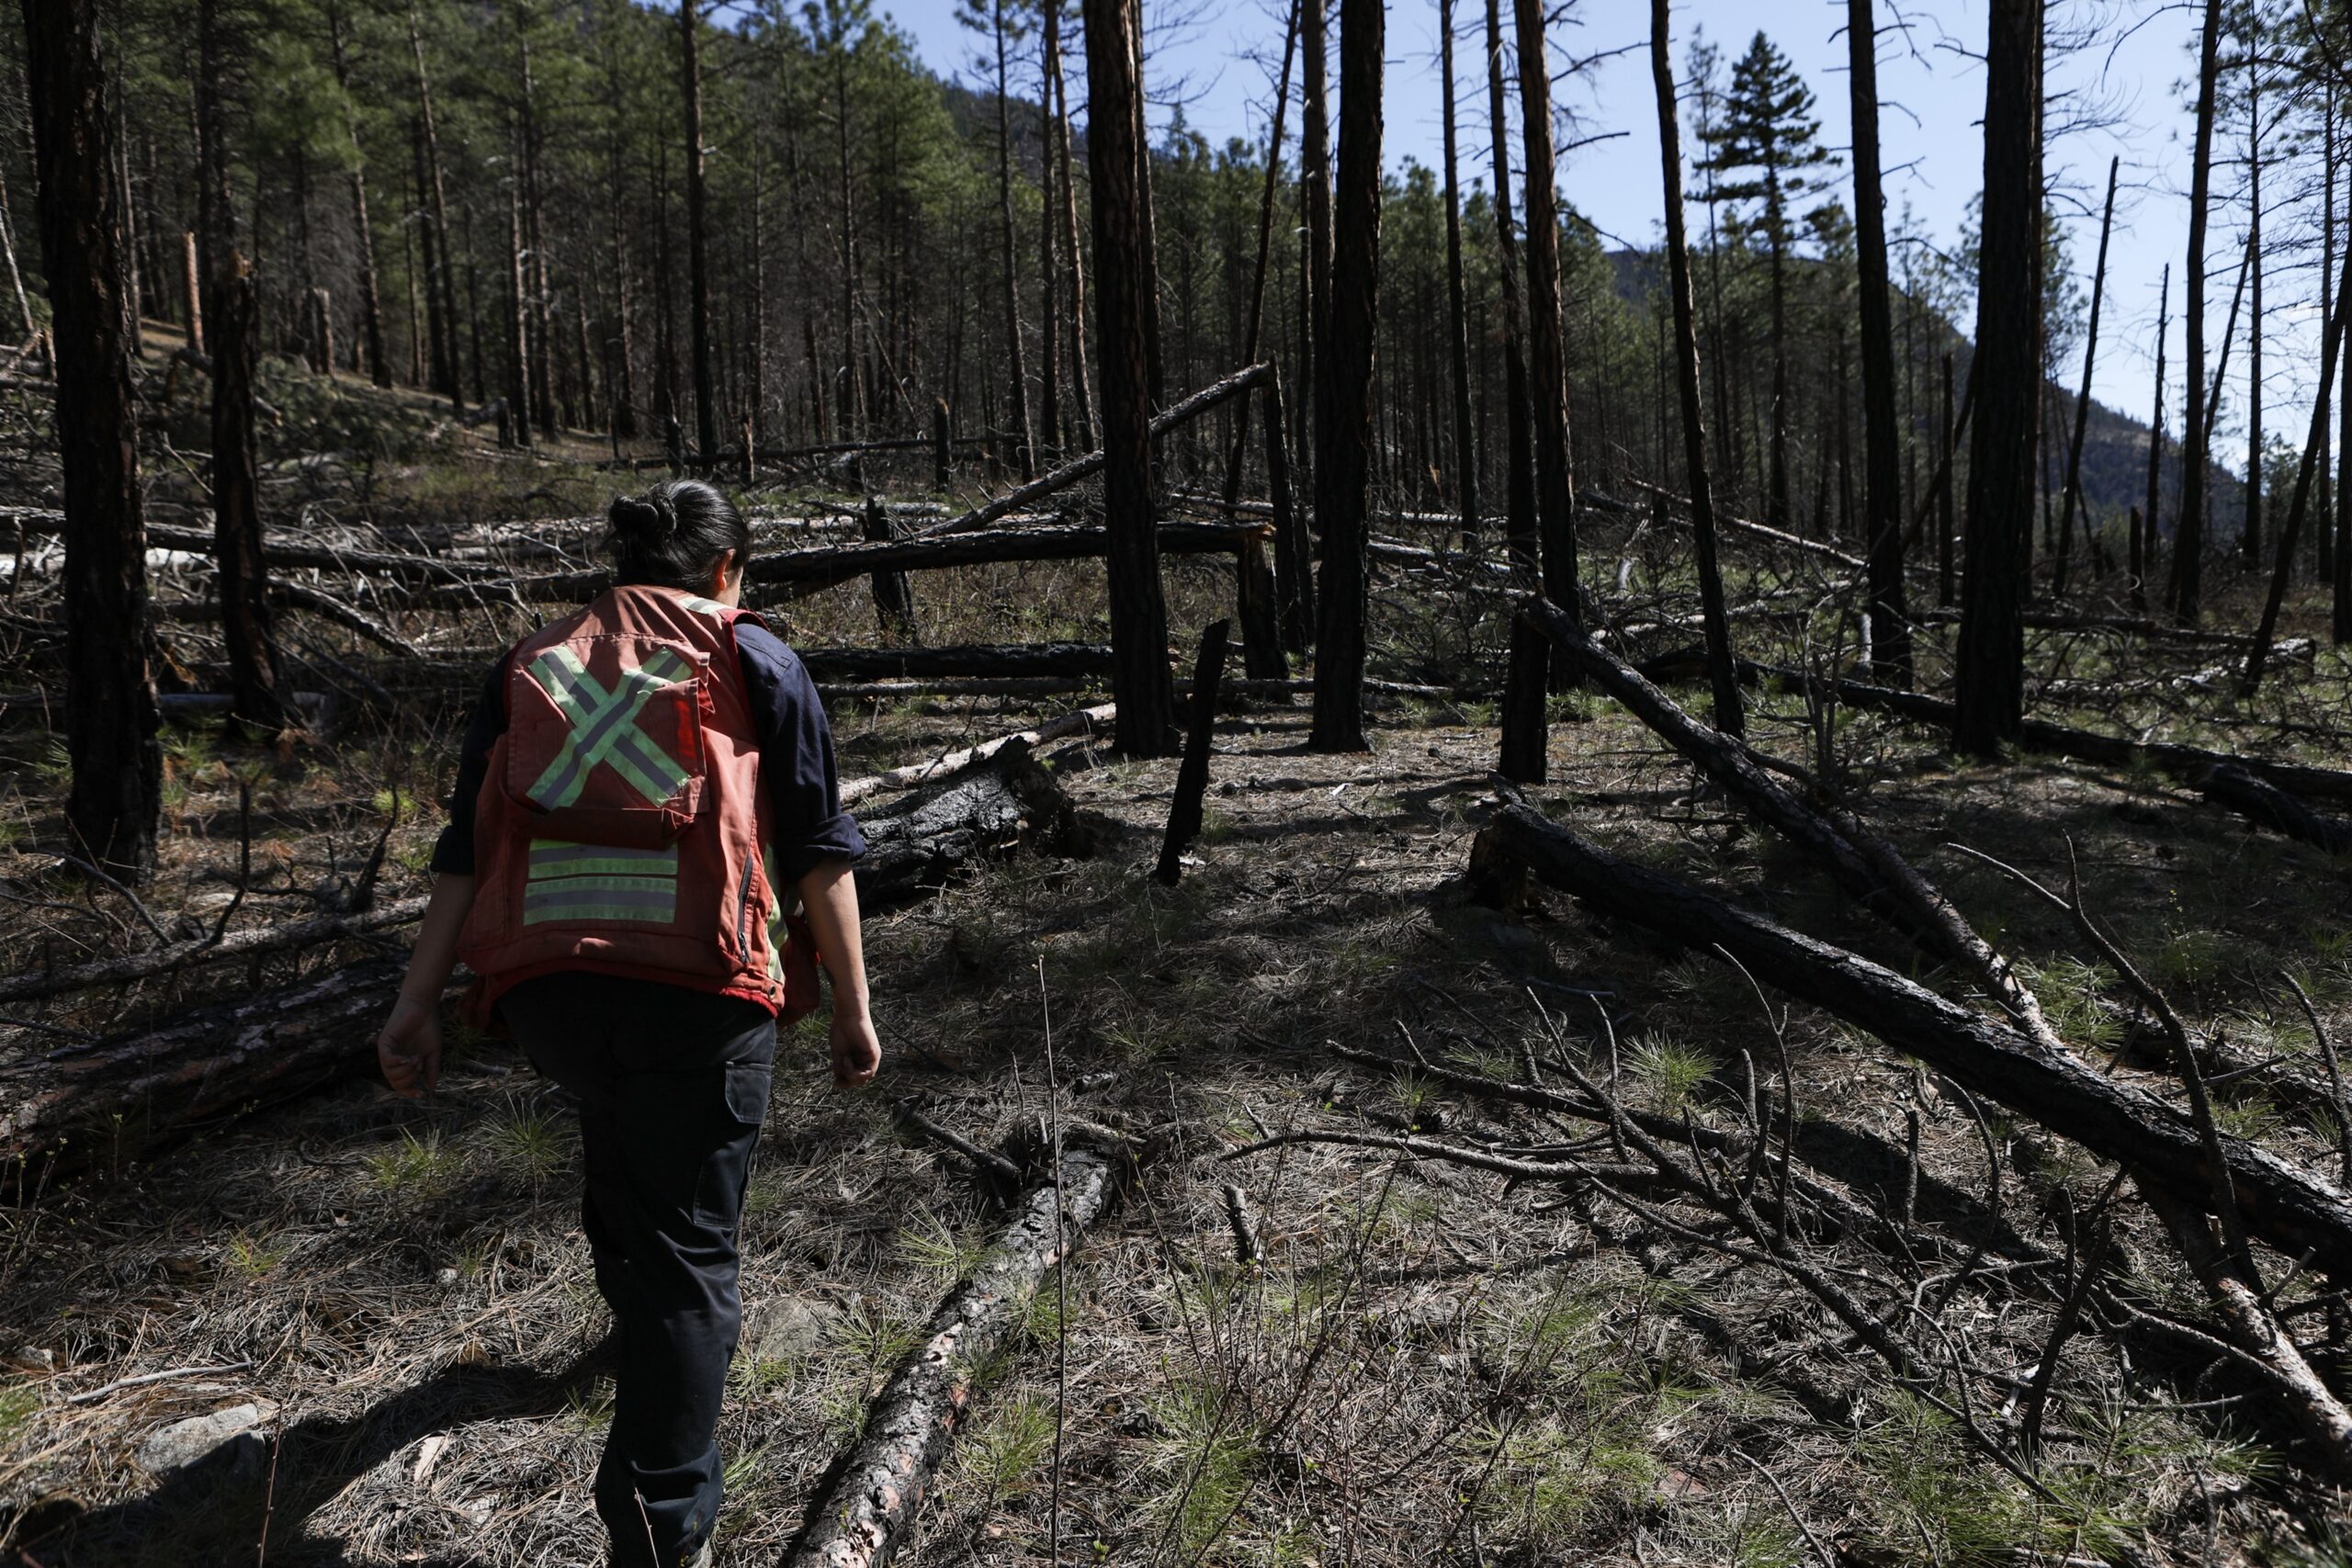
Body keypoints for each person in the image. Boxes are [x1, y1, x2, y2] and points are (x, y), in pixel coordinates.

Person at [373, 479, 881, 1568]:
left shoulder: (532, 662)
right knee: (691, 1264)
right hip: (699, 1000)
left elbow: (466, 847)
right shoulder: (754, 657)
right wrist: (852, 1002)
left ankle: (633, 1338)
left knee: (620, 1152)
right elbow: (818, 848)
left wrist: (416, 1004)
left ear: (622, 563)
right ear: (728, 568)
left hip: (551, 998)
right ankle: (660, 1530)